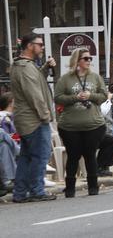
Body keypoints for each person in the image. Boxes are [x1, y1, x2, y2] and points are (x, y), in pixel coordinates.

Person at [53, 48, 108, 197]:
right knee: (73, 155)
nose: (89, 61)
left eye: (90, 58)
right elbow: (57, 97)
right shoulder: (66, 79)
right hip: (70, 126)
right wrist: (75, 98)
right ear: (77, 60)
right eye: (86, 58)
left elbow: (103, 96)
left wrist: (90, 95)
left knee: (90, 155)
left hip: (93, 124)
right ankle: (70, 188)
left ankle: (93, 186)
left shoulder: (95, 77)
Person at [10, 33, 57, 202]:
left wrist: (44, 68)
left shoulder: (24, 66)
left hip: (27, 119)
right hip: (34, 120)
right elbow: (34, 95)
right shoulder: (26, 67)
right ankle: (37, 190)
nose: (42, 47)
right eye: (40, 44)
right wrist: (45, 116)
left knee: (27, 156)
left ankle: (20, 193)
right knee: (40, 156)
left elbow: (35, 81)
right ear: (30, 46)